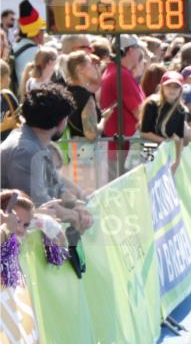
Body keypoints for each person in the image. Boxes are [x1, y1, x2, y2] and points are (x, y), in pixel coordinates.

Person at [0, 84, 93, 233]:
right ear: (61, 122)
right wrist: (73, 215)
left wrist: (76, 205)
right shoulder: (25, 151)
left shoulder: (37, 142)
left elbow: (58, 186)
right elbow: (39, 204)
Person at [99, 34, 146, 176]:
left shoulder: (119, 72)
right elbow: (140, 113)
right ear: (131, 50)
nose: (141, 52)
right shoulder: (120, 74)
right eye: (138, 48)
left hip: (123, 148)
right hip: (123, 150)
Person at [140, 71, 191, 173]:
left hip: (163, 151)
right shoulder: (152, 104)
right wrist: (166, 141)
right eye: (168, 86)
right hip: (147, 147)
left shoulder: (180, 110)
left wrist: (177, 161)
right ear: (162, 87)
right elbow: (144, 133)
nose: (172, 90)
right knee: (145, 175)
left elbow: (179, 137)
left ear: (181, 89)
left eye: (176, 87)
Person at [65, 52, 109, 140]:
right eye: (91, 64)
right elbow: (91, 134)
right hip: (85, 147)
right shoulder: (85, 97)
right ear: (80, 69)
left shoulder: (66, 92)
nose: (94, 67)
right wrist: (105, 119)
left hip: (72, 146)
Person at [12, 0, 47, 88]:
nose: (44, 34)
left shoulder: (14, 46)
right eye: (43, 31)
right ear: (37, 34)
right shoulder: (37, 52)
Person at [1, 61, 18, 142]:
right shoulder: (7, 96)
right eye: (8, 76)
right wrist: (4, 126)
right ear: (1, 79)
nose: (10, 80)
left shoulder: (7, 96)